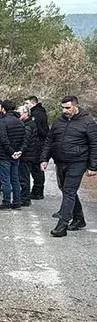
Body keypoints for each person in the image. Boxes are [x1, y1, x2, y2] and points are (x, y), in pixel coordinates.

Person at [41, 96, 97, 237]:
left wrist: (93, 166)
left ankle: (62, 225)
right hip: (60, 161)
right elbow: (49, 140)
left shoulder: (88, 123)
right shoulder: (59, 121)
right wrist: (44, 158)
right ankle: (79, 219)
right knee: (65, 190)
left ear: (76, 106)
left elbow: (94, 145)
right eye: (63, 107)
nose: (64, 110)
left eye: (67, 107)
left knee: (69, 191)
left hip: (78, 162)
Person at [0, 100, 27, 210]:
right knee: (15, 179)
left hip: (4, 155)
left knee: (5, 180)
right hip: (16, 155)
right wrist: (19, 151)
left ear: (3, 109)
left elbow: (3, 139)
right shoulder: (20, 122)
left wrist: (11, 152)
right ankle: (17, 202)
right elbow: (24, 139)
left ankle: (6, 202)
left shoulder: (3, 122)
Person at [24, 96, 50, 199]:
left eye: (27, 103)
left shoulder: (36, 114)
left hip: (38, 144)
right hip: (39, 143)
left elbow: (37, 130)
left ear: (33, 103)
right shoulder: (39, 112)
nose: (26, 105)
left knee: (36, 168)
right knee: (36, 168)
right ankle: (37, 190)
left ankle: (38, 191)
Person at [18, 105, 38, 207]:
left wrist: (20, 151)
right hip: (29, 154)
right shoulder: (29, 124)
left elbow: (25, 141)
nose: (18, 115)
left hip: (26, 156)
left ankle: (25, 198)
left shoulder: (28, 126)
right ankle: (24, 197)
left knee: (24, 177)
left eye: (20, 113)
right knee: (24, 177)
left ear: (26, 114)